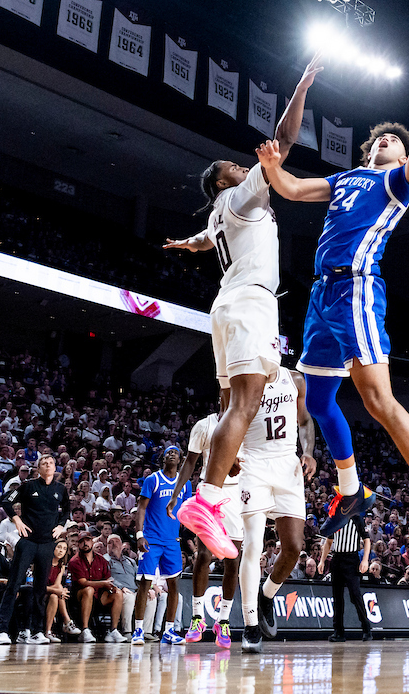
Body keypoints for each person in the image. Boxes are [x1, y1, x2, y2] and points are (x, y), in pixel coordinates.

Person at [256, 49, 409, 567]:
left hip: (358, 291)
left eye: (396, 140)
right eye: (382, 139)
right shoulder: (345, 180)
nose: (389, 141)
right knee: (317, 399)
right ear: (370, 150)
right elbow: (293, 189)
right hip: (321, 295)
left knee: (377, 400)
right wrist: (274, 167)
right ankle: (352, 490)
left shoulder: (398, 184)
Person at [162, 51, 292, 561]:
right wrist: (301, 83)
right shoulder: (241, 196)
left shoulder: (219, 213)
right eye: (234, 168)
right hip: (251, 304)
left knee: (227, 405)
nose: (243, 167)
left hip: (226, 307)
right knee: (247, 402)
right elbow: (282, 143)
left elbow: (201, 240)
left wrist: (185, 245)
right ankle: (208, 501)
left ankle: (219, 488)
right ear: (222, 183)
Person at [236, 367, 317, 653]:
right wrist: (230, 455)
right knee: (253, 545)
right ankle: (250, 625)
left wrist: (308, 452)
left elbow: (305, 421)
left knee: (294, 547)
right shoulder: (243, 378)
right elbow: (228, 420)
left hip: (287, 466)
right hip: (252, 465)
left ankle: (266, 595)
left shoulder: (294, 379)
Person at [169, 412, 242, 649]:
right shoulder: (204, 425)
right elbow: (190, 461)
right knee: (203, 554)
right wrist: (176, 493)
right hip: (209, 490)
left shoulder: (248, 420)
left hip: (238, 494)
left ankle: (223, 620)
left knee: (233, 560)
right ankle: (198, 618)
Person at [0, 454, 67, 644]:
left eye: (51, 462)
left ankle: (36, 632)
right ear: (38, 468)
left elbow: (66, 509)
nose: (48, 465)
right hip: (27, 542)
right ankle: (1, 631)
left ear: (55, 467)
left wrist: (62, 525)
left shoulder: (60, 488)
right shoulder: (28, 486)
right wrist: (16, 519)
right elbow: (6, 501)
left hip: (47, 544)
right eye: (44, 463)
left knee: (41, 589)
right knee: (14, 584)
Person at [131, 446, 191, 645]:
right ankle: (138, 630)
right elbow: (141, 508)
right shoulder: (153, 479)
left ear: (181, 459)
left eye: (175, 452)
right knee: (145, 583)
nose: (171, 454)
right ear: (163, 458)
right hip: (151, 539)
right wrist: (139, 534)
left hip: (172, 541)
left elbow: (187, 511)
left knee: (174, 586)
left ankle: (169, 631)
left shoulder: (186, 484)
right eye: (168, 452)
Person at [320, 513, 371, 642]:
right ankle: (338, 632)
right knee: (337, 597)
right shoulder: (335, 518)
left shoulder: (356, 518)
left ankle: (366, 629)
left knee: (355, 595)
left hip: (351, 559)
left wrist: (365, 560)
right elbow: (329, 541)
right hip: (337, 559)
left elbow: (367, 540)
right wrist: (322, 561)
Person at [69, 531, 127, 643]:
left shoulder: (101, 560)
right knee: (89, 590)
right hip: (80, 595)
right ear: (78, 544)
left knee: (118, 593)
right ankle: (85, 630)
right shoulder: (74, 561)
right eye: (81, 541)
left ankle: (113, 631)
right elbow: (82, 582)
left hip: (100, 594)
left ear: (92, 541)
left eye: (87, 540)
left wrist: (111, 586)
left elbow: (108, 578)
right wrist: (103, 583)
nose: (85, 543)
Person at [42, 539, 79, 642]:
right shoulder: (44, 563)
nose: (61, 551)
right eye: (58, 547)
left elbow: (57, 585)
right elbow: (39, 586)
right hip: (40, 592)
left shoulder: (61, 566)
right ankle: (67, 621)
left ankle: (48, 632)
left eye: (64, 549)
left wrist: (60, 591)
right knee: (58, 593)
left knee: (55, 595)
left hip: (52, 593)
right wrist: (59, 591)